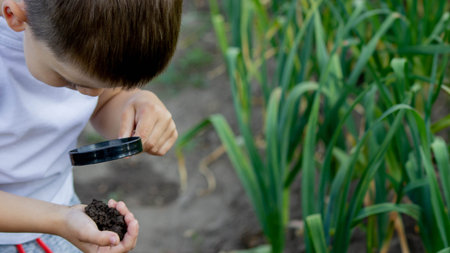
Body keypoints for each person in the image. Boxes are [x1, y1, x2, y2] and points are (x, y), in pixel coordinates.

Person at [0, 0, 182, 252]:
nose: (91, 94)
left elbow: (103, 102)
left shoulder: (63, 36)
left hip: (59, 209)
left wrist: (132, 104)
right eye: (72, 82)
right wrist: (58, 220)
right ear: (16, 16)